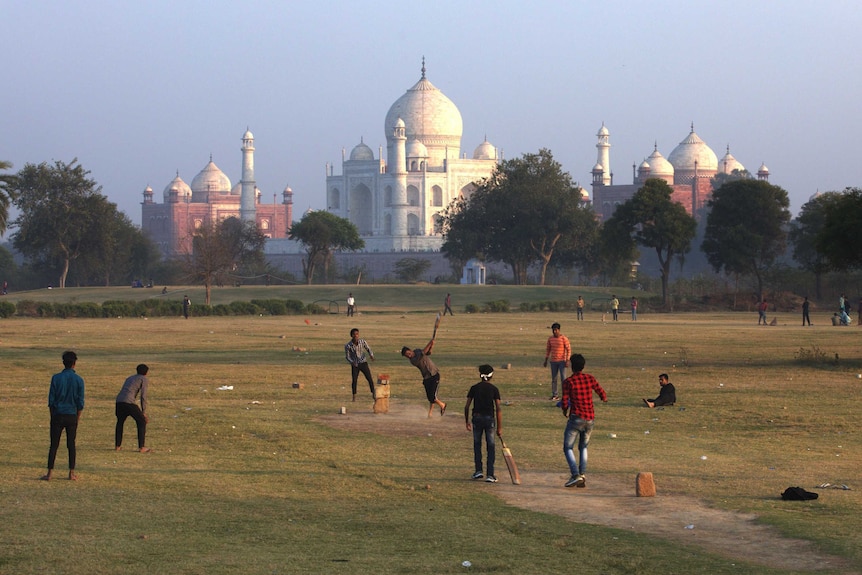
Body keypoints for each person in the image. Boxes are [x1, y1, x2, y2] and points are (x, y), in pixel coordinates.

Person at [559, 353, 607, 488]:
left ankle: (575, 475)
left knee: (568, 447)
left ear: (572, 367)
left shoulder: (568, 382)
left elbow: (564, 401)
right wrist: (603, 398)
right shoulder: (589, 378)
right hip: (590, 418)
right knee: (583, 447)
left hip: (576, 418)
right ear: (583, 366)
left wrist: (564, 411)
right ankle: (582, 474)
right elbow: (601, 392)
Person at [42, 351, 85, 481]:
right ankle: (71, 473)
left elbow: (51, 401)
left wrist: (52, 416)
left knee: (54, 444)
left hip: (57, 414)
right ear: (74, 364)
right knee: (71, 444)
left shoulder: (56, 378)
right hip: (71, 415)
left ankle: (49, 473)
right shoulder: (79, 380)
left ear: (63, 363)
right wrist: (77, 417)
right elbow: (80, 402)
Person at [464, 364, 502, 483]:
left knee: (477, 445)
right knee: (490, 446)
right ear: (491, 376)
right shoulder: (494, 389)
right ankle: (490, 474)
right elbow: (498, 409)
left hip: (477, 418)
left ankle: (478, 471)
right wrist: (499, 427)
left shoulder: (474, 388)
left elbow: (467, 406)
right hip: (489, 419)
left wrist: (467, 421)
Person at [401, 338, 446, 417]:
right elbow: (423, 352)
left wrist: (431, 346)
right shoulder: (413, 360)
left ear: (410, 350)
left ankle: (442, 406)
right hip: (426, 377)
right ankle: (434, 411)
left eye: (408, 353)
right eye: (407, 356)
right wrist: (430, 343)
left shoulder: (417, 351)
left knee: (433, 396)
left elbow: (427, 353)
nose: (409, 355)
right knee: (430, 397)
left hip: (434, 374)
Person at [115, 364, 152, 452]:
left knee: (120, 422)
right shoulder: (143, 379)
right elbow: (143, 396)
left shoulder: (129, 378)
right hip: (129, 402)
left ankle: (117, 446)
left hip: (119, 401)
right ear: (146, 372)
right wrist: (143, 412)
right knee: (142, 421)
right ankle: (142, 447)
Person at [345, 328, 375, 401]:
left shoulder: (362, 342)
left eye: (357, 334)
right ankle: (354, 396)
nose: (356, 336)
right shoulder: (348, 345)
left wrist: (371, 355)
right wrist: (352, 362)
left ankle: (373, 393)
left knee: (369, 379)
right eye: (354, 334)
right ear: (351, 335)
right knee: (354, 380)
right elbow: (347, 356)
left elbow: (368, 349)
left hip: (363, 362)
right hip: (355, 364)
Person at [543, 322, 571, 401]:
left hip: (562, 361)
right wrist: (546, 360)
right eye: (553, 330)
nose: (554, 332)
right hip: (553, 361)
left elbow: (568, 349)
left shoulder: (564, 339)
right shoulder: (550, 339)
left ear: (559, 330)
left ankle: (565, 395)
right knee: (554, 379)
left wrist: (567, 360)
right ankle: (555, 394)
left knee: (563, 379)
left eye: (556, 330)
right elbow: (548, 350)